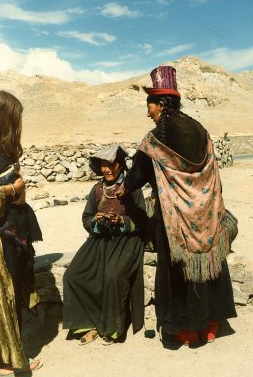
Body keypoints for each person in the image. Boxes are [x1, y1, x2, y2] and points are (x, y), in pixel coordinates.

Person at [118, 66, 237, 346]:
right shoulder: (199, 128)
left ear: (160, 104)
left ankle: (183, 330)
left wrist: (124, 190)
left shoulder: (155, 139)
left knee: (176, 272)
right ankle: (209, 325)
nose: (147, 112)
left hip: (174, 220)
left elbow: (138, 174)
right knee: (209, 269)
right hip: (206, 214)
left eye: (149, 104)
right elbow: (211, 169)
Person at [63, 146, 146, 345]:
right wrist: (96, 222)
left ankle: (112, 329)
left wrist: (121, 221)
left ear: (120, 165)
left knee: (112, 276)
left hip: (127, 241)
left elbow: (143, 222)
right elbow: (86, 217)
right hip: (100, 239)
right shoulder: (97, 189)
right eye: (103, 165)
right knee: (73, 275)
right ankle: (89, 324)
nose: (107, 169)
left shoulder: (132, 188)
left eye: (111, 165)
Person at [0, 90, 43, 376]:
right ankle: (11, 363)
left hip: (11, 233)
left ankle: (2, 359)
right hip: (3, 239)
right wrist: (14, 189)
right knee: (9, 296)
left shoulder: (6, 151)